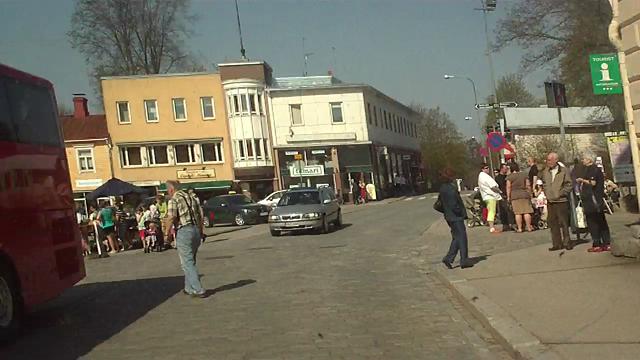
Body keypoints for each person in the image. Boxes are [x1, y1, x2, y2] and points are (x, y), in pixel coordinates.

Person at [165, 180, 206, 298]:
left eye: (168, 190)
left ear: (171, 189)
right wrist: (201, 231)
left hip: (184, 231)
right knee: (191, 260)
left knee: (187, 262)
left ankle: (198, 289)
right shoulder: (192, 197)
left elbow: (171, 217)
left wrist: (166, 234)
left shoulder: (174, 199)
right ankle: (188, 288)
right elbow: (200, 215)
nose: (168, 193)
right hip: (195, 230)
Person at [438, 168, 473, 269]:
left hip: (449, 216)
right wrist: (461, 212)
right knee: (462, 237)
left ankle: (449, 258)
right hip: (455, 216)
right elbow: (454, 204)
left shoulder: (443, 188)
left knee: (457, 237)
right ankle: (464, 259)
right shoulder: (451, 188)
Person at [577, 152, 611, 252]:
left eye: (584, 159)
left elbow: (593, 182)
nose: (582, 160)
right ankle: (605, 242)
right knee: (600, 221)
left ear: (589, 160)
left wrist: (582, 180)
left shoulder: (593, 169)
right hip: (591, 199)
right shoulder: (588, 169)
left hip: (593, 200)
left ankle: (599, 243)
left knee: (594, 221)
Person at [540, 152, 573, 251]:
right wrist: (546, 193)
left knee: (564, 223)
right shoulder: (545, 171)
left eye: (550, 160)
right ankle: (556, 244)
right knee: (552, 222)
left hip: (561, 200)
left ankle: (567, 242)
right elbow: (544, 183)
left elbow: (569, 184)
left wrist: (561, 193)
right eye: (547, 160)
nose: (548, 162)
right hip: (550, 201)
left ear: (556, 160)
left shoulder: (563, 171)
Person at [506, 163, 534, 232]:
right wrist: (530, 193)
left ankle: (520, 228)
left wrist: (508, 197)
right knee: (527, 211)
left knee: (518, 213)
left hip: (515, 195)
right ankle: (529, 227)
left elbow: (508, 187)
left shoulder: (510, 177)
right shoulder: (524, 175)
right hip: (524, 194)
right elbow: (528, 185)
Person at [477, 163, 503, 233]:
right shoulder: (485, 177)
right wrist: (500, 191)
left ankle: (492, 227)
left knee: (491, 210)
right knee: (492, 211)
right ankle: (492, 227)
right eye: (486, 168)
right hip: (490, 196)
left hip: (486, 196)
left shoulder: (481, 176)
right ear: (482, 169)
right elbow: (493, 186)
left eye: (488, 168)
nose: (487, 169)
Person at [495, 163, 512, 232]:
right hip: (502, 195)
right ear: (502, 169)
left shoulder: (507, 177)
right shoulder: (498, 178)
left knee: (509, 210)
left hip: (508, 194)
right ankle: (505, 225)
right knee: (503, 211)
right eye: (505, 168)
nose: (506, 169)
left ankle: (510, 224)